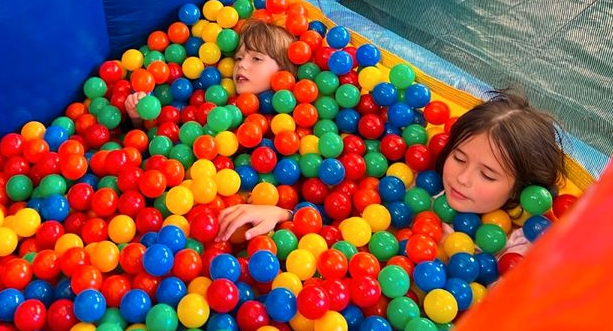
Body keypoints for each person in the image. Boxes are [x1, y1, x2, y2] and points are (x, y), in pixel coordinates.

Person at [218, 91, 566, 255]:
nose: (462, 178)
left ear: (520, 190)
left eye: (488, 176)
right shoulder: (419, 189)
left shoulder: (517, 248)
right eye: (459, 159)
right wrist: (283, 214)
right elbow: (346, 229)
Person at [125, 20, 296, 121]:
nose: (242, 65)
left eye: (256, 58)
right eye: (238, 57)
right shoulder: (220, 102)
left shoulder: (286, 119)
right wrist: (139, 116)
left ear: (285, 71)